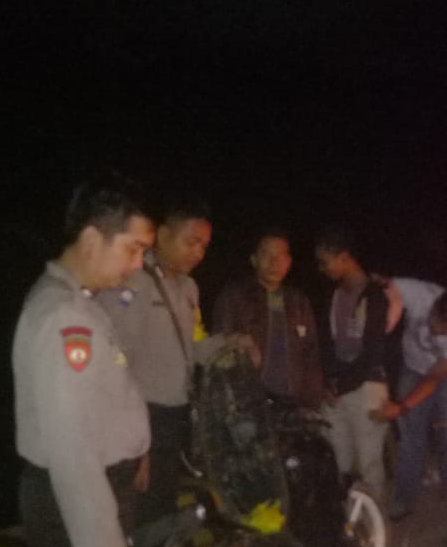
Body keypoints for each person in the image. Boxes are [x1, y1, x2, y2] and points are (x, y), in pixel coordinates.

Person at [13, 173, 155, 547]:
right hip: (75, 495)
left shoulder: (79, 300)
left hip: (90, 485)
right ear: (93, 238)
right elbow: (70, 443)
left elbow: (99, 401)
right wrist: (104, 546)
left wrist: (135, 449)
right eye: (133, 248)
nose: (138, 263)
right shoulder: (64, 317)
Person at [96, 198, 256, 523]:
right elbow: (114, 360)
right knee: (137, 512)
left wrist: (230, 344)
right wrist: (134, 440)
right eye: (191, 241)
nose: (199, 252)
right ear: (163, 235)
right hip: (142, 414)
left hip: (175, 415)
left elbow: (192, 346)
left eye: (205, 245)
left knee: (163, 506)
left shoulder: (189, 289)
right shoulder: (133, 282)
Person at [374, 278, 447, 546]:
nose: (436, 329)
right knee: (410, 438)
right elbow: (384, 283)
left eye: (445, 329)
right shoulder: (420, 294)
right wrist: (390, 307)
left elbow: (433, 380)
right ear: (434, 306)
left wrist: (402, 406)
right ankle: (404, 498)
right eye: (436, 320)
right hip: (412, 368)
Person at [314, 226, 392, 502]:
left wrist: (341, 384)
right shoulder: (333, 296)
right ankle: (345, 520)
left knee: (369, 464)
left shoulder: (375, 295)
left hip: (366, 386)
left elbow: (373, 351)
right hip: (338, 387)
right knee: (338, 461)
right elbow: (326, 343)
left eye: (324, 261)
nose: (321, 268)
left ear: (344, 257)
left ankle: (373, 523)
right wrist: (327, 381)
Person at [212, 229, 324, 407]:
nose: (274, 262)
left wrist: (312, 400)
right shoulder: (234, 296)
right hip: (247, 400)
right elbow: (218, 347)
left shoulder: (298, 301)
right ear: (254, 260)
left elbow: (311, 354)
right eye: (267, 255)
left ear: (289, 262)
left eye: (280, 256)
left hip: (291, 400)